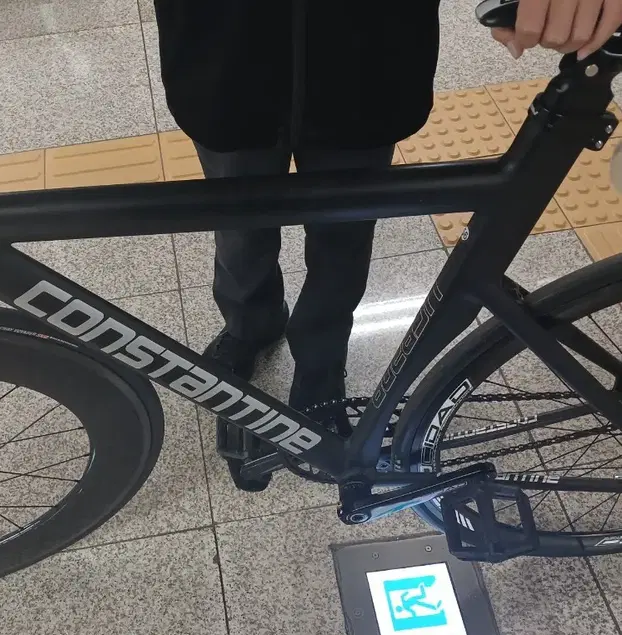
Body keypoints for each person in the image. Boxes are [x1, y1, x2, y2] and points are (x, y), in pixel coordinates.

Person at [153, 0, 622, 425]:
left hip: (367, 56)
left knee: (344, 239)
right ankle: (249, 324)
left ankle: (321, 360)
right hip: (222, 55)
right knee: (238, 230)